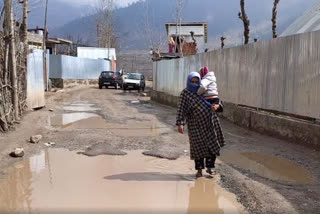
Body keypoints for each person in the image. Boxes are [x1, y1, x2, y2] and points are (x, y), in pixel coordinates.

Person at [176, 72, 225, 178]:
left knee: (213, 145)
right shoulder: (186, 93)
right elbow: (181, 109)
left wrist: (218, 107)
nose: (194, 84)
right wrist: (180, 123)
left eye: (196, 81)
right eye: (192, 82)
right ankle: (199, 170)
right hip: (195, 125)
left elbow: (218, 102)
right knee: (197, 148)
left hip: (211, 123)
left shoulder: (205, 89)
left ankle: (210, 167)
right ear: (188, 82)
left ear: (200, 81)